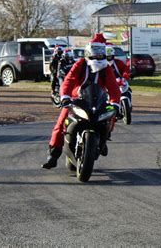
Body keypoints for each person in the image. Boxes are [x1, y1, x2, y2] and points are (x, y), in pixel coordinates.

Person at [42, 33, 121, 169]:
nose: (97, 55)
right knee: (61, 122)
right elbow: (69, 80)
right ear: (88, 51)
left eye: (100, 52)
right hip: (77, 99)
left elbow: (113, 87)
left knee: (111, 116)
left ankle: (104, 139)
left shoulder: (106, 68)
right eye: (94, 52)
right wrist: (65, 97)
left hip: (98, 100)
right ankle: (53, 155)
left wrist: (116, 104)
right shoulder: (80, 64)